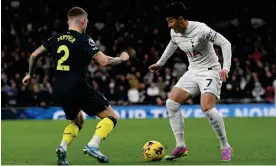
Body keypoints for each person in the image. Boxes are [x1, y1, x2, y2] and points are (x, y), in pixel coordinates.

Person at [22, 7, 129, 165]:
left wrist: (31, 74)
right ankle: (93, 145)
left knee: (78, 120)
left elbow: (34, 55)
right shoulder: (84, 39)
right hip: (78, 87)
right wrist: (121, 58)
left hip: (58, 89)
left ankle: (62, 148)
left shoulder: (55, 39)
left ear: (68, 22)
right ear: (84, 21)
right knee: (112, 116)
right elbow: (105, 61)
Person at [148, 2, 233, 161]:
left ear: (181, 19)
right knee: (171, 103)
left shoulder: (201, 29)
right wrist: (161, 62)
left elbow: (225, 43)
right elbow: (172, 45)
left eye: (171, 21)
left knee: (207, 108)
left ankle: (225, 145)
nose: (169, 25)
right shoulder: (175, 33)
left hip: (210, 71)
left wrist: (225, 68)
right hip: (193, 71)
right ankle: (181, 146)